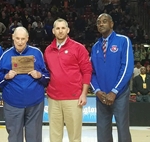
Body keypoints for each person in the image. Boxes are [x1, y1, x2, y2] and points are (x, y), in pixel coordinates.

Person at [0, 27, 50, 142]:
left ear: (27, 39)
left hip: (35, 103)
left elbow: (47, 77)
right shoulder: (5, 55)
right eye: (17, 39)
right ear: (13, 38)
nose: (20, 42)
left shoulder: (37, 53)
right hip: (12, 104)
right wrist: (6, 76)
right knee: (14, 138)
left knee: (34, 138)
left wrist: (39, 75)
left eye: (23, 39)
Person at [44, 18, 92, 142]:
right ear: (53, 31)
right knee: (54, 137)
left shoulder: (79, 48)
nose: (60, 31)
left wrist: (84, 94)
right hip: (54, 99)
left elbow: (87, 71)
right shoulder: (48, 51)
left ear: (68, 30)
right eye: (58, 28)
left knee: (74, 137)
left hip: (74, 98)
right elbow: (47, 73)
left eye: (63, 28)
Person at [90, 13, 133, 142]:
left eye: (104, 21)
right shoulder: (95, 47)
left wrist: (115, 91)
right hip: (101, 96)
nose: (101, 24)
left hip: (119, 95)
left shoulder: (123, 40)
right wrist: (97, 91)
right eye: (98, 22)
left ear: (111, 24)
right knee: (102, 131)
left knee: (122, 129)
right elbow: (90, 72)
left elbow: (126, 68)